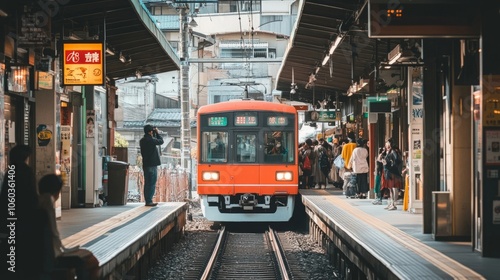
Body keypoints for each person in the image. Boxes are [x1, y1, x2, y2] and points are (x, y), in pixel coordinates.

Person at [38, 174, 99, 279]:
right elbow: (53, 234)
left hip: (40, 256)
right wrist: (66, 250)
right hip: (51, 257)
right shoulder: (48, 202)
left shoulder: (38, 201)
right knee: (92, 261)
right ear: (56, 190)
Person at [0, 144, 42, 279]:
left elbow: (6, 196)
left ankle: (13, 270)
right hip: (25, 217)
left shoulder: (11, 171)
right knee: (24, 247)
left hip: (12, 216)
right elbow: (32, 195)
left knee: (13, 245)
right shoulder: (26, 171)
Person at [140, 124, 164, 207]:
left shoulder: (142, 140)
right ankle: (149, 201)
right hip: (152, 164)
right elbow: (161, 141)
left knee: (147, 183)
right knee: (152, 183)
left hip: (146, 164)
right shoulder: (151, 140)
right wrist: (157, 133)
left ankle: (147, 200)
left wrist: (153, 134)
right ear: (150, 132)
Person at [382, 138, 403, 210]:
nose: (386, 144)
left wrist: (391, 166)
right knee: (390, 188)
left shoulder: (394, 151)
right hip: (389, 171)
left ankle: (394, 204)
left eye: (387, 143)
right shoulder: (389, 151)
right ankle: (391, 203)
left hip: (392, 172)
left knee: (393, 188)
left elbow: (397, 160)